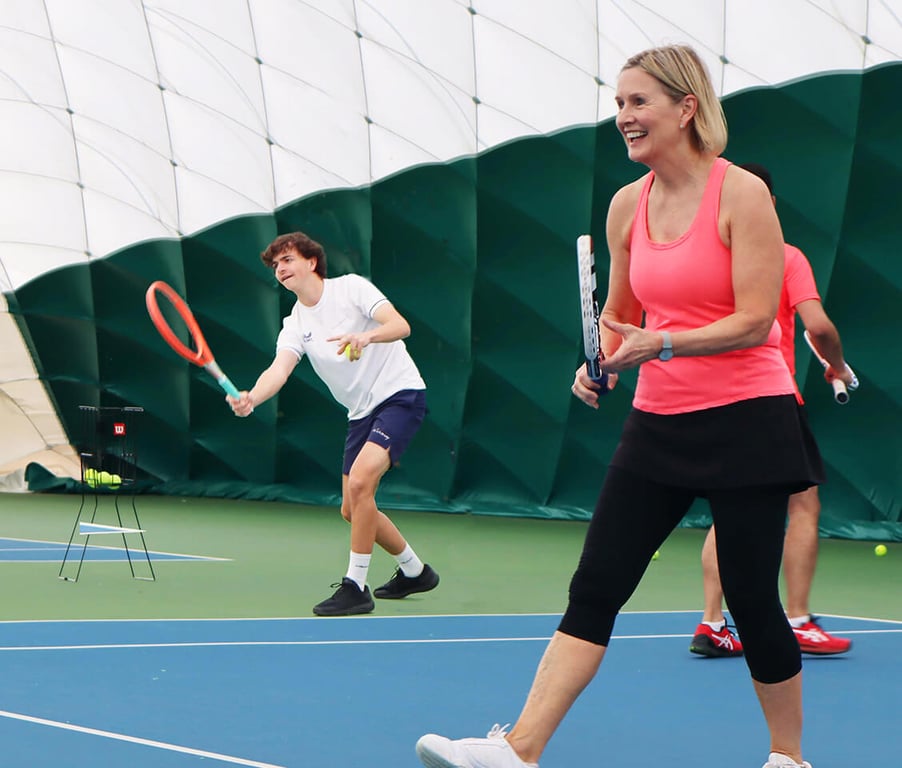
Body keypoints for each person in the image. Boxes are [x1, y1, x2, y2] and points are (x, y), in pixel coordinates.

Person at [415, 45, 823, 768]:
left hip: (749, 422)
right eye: (618, 104)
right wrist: (597, 360)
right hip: (657, 424)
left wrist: (659, 345)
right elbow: (620, 312)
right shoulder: (626, 205)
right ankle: (520, 749)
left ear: (686, 108)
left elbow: (758, 322)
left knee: (754, 600)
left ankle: (788, 758)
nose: (624, 118)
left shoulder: (740, 196)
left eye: (638, 103)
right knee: (597, 583)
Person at [690, 162, 855, 660]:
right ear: (772, 206)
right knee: (803, 506)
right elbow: (819, 327)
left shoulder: (705, 256)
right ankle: (799, 619)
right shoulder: (785, 257)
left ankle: (713, 622)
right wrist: (837, 365)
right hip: (770, 400)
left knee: (727, 509)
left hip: (706, 401)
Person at [228, 231, 439, 616]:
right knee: (351, 508)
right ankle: (415, 570)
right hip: (359, 412)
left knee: (360, 485)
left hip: (399, 395)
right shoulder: (295, 323)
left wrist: (366, 336)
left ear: (311, 262)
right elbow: (280, 369)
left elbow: (400, 325)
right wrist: (252, 397)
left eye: (287, 260)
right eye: (275, 265)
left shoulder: (352, 289)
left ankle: (355, 587)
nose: (281, 269)